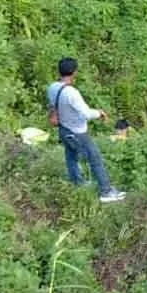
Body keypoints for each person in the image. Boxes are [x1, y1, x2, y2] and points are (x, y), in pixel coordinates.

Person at [46, 57, 126, 203]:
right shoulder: (71, 93)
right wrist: (99, 113)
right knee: (95, 158)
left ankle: (78, 183)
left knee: (71, 156)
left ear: (59, 71)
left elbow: (52, 105)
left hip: (63, 130)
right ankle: (106, 192)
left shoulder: (52, 87)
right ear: (74, 72)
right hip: (78, 133)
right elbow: (86, 113)